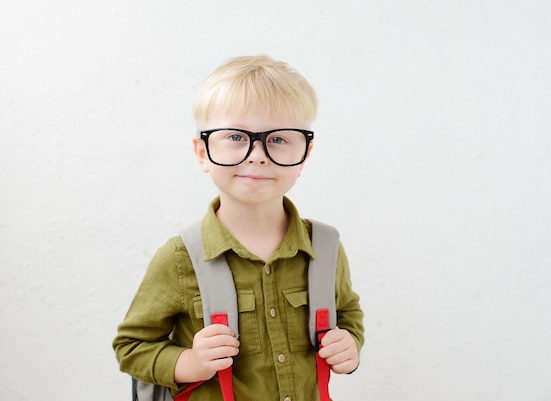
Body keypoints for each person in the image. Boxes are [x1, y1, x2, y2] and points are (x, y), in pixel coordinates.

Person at [113, 55, 364, 401]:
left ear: (305, 153)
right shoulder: (180, 257)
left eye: (278, 139)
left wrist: (349, 343)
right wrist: (190, 362)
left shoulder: (325, 247)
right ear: (202, 153)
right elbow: (131, 347)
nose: (257, 154)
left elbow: (348, 312)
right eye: (235, 136)